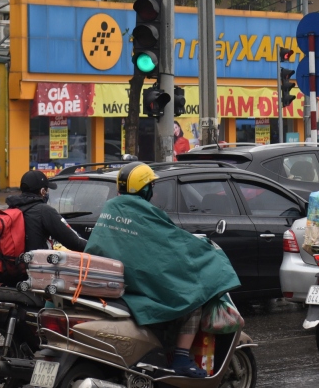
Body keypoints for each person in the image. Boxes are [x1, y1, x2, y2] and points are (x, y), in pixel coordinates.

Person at [85, 162, 240, 379]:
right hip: (136, 285)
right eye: (151, 186)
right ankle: (180, 358)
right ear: (145, 189)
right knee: (192, 299)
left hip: (115, 280)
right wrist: (202, 249)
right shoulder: (146, 211)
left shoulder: (111, 207)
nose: (153, 191)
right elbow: (170, 244)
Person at [6, 170, 88, 253]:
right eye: (47, 189)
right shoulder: (44, 211)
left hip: (15, 263)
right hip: (37, 263)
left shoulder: (12, 208)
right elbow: (73, 242)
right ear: (42, 191)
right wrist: (94, 248)